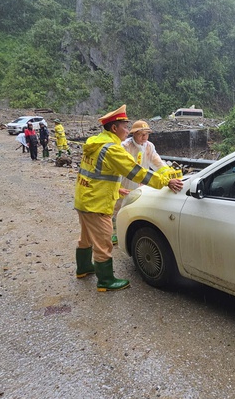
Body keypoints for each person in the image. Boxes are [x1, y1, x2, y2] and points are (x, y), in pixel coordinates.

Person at [73, 104, 183, 292]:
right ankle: (105, 281)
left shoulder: (96, 143)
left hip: (83, 199)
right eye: (125, 126)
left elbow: (95, 174)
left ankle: (83, 268)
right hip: (97, 203)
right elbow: (137, 173)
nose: (127, 130)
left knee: (86, 237)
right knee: (104, 241)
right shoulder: (113, 150)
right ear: (114, 128)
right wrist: (166, 182)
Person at [111, 119, 167, 244]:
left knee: (135, 208)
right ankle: (115, 233)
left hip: (141, 182)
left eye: (146, 134)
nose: (144, 137)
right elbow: (118, 169)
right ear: (134, 134)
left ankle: (129, 232)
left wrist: (168, 174)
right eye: (141, 134)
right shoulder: (125, 146)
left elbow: (157, 163)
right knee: (118, 208)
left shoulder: (149, 146)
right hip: (125, 183)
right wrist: (117, 187)